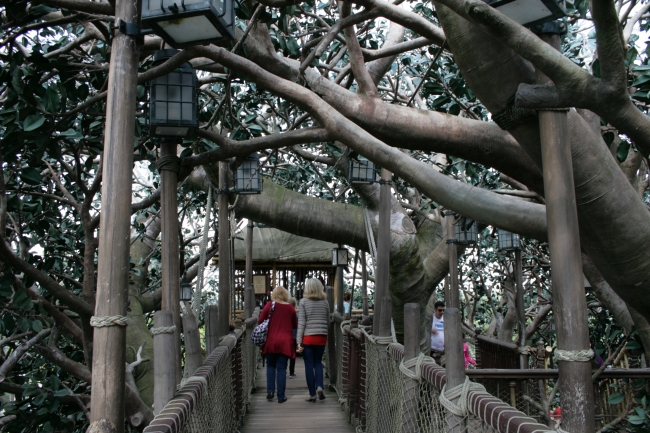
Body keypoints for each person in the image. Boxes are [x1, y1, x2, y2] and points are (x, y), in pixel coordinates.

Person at [258, 286, 297, 403]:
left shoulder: (270, 305)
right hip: (285, 342)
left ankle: (270, 392)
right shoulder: (290, 308)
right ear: (285, 295)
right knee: (281, 369)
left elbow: (260, 320)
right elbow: (295, 324)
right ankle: (281, 396)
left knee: (270, 366)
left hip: (271, 341)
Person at [297, 278, 330, 402]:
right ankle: (320, 386)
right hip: (321, 337)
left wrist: (298, 341)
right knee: (318, 362)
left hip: (308, 337)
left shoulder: (304, 302)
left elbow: (301, 323)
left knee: (309, 365)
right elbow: (327, 321)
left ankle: (312, 394)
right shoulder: (325, 303)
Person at [288, 297, 299, 379]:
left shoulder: (285, 312)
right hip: (294, 335)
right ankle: (291, 372)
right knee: (293, 353)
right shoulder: (297, 313)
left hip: (286, 334)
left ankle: (282, 369)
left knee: (284, 352)